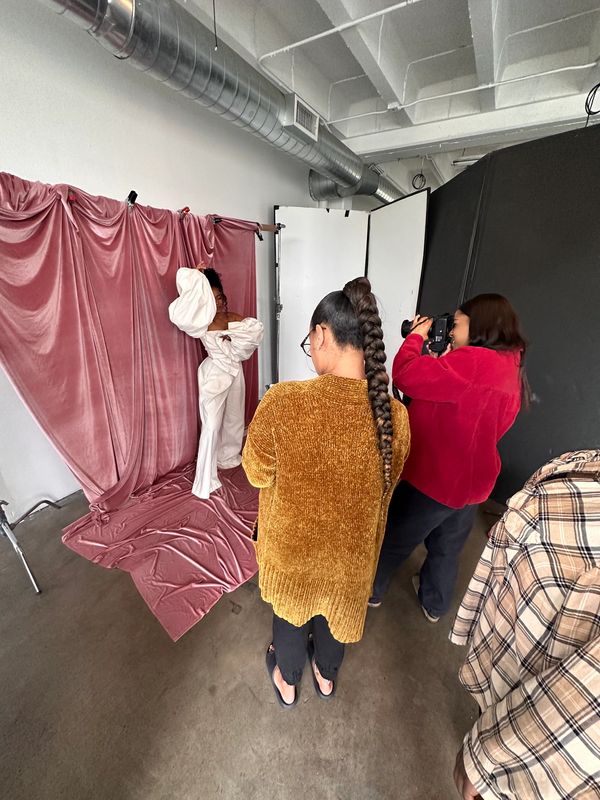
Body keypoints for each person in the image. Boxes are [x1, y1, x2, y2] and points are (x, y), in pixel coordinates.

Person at [242, 277, 410, 708]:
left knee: (291, 621)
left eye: (309, 341)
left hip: (293, 555)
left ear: (321, 334)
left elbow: (256, 473)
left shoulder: (283, 401)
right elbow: (386, 489)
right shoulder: (396, 417)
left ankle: (288, 677)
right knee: (335, 623)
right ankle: (326, 675)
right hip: (350, 559)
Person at [451, 450, 600, 800]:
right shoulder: (584, 465)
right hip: (504, 668)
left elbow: (581, 709)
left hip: (537, 770)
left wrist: (484, 757)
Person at [370, 293, 529, 622]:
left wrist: (415, 338)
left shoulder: (473, 363)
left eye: (457, 324)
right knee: (446, 547)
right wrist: (443, 358)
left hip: (437, 479)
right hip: (474, 483)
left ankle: (371, 592)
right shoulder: (509, 365)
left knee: (395, 538)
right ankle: (435, 603)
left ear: (480, 326)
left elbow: (406, 375)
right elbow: (480, 412)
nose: (452, 330)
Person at [169, 264, 263, 499]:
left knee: (234, 418)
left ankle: (228, 456)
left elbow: (254, 334)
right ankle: (205, 481)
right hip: (214, 374)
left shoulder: (231, 317)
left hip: (235, 371)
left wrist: (235, 338)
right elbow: (182, 301)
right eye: (212, 298)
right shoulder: (201, 321)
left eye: (220, 297)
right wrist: (198, 276)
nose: (218, 302)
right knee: (211, 425)